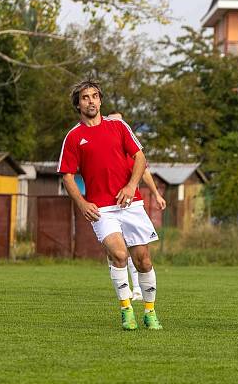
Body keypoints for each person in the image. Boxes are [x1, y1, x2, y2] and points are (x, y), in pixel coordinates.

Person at [57, 80, 162, 331]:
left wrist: (130, 186)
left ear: (101, 100)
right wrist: (82, 203)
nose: (91, 101)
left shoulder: (118, 126)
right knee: (118, 254)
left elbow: (139, 157)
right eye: (85, 97)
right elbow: (67, 175)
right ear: (78, 104)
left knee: (144, 261)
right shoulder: (73, 137)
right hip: (101, 209)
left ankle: (150, 312)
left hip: (131, 203)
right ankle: (126, 310)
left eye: (94, 96)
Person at [106, 112, 167, 301]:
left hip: (130, 206)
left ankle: (138, 289)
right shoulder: (106, 147)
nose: (118, 123)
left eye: (121, 121)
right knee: (117, 251)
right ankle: (124, 288)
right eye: (114, 120)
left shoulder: (130, 149)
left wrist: (156, 194)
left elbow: (145, 172)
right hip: (108, 207)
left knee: (136, 250)